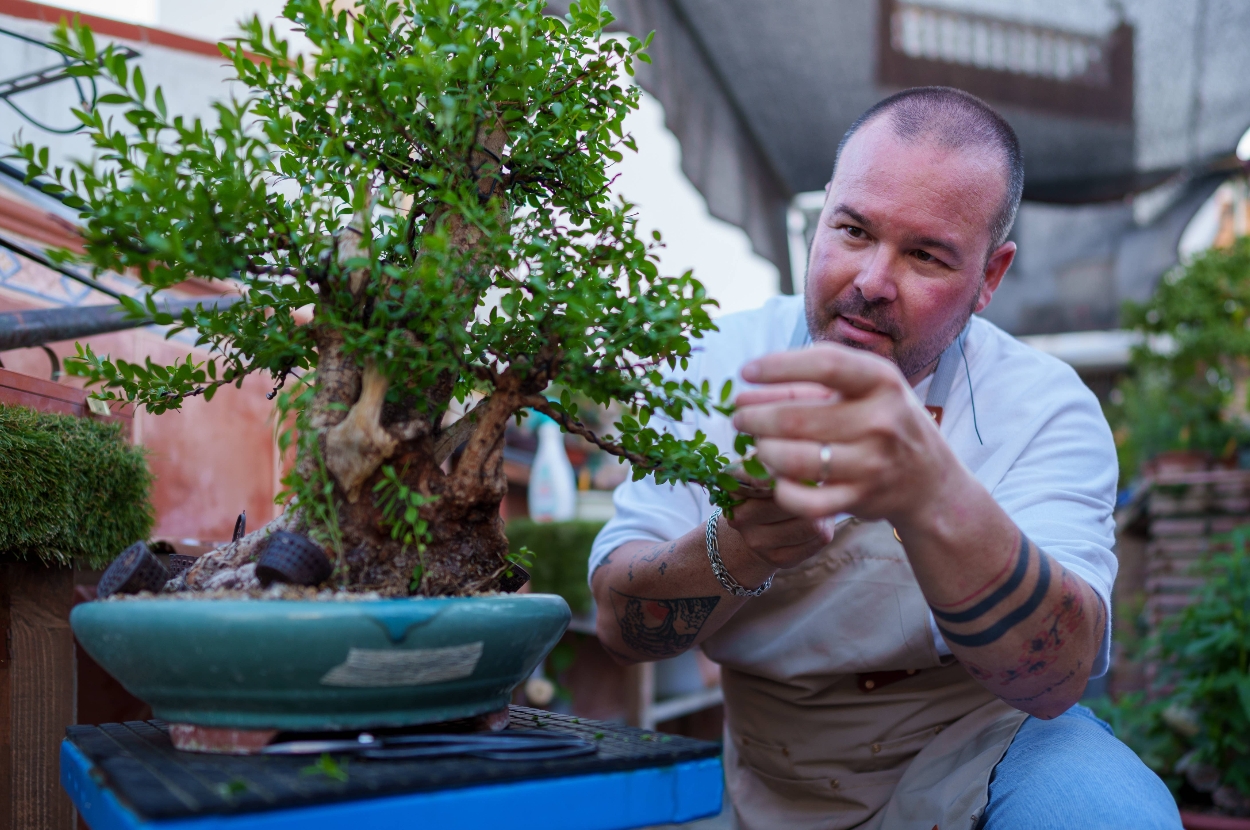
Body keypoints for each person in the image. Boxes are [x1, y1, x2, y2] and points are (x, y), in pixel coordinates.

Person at [589, 87, 1181, 830]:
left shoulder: (1042, 406)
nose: (871, 281)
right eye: (853, 230)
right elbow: (618, 626)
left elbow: (1057, 677)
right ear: (819, 220)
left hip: (985, 752)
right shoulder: (714, 364)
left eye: (926, 255)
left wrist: (932, 495)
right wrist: (735, 548)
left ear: (989, 278)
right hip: (771, 768)